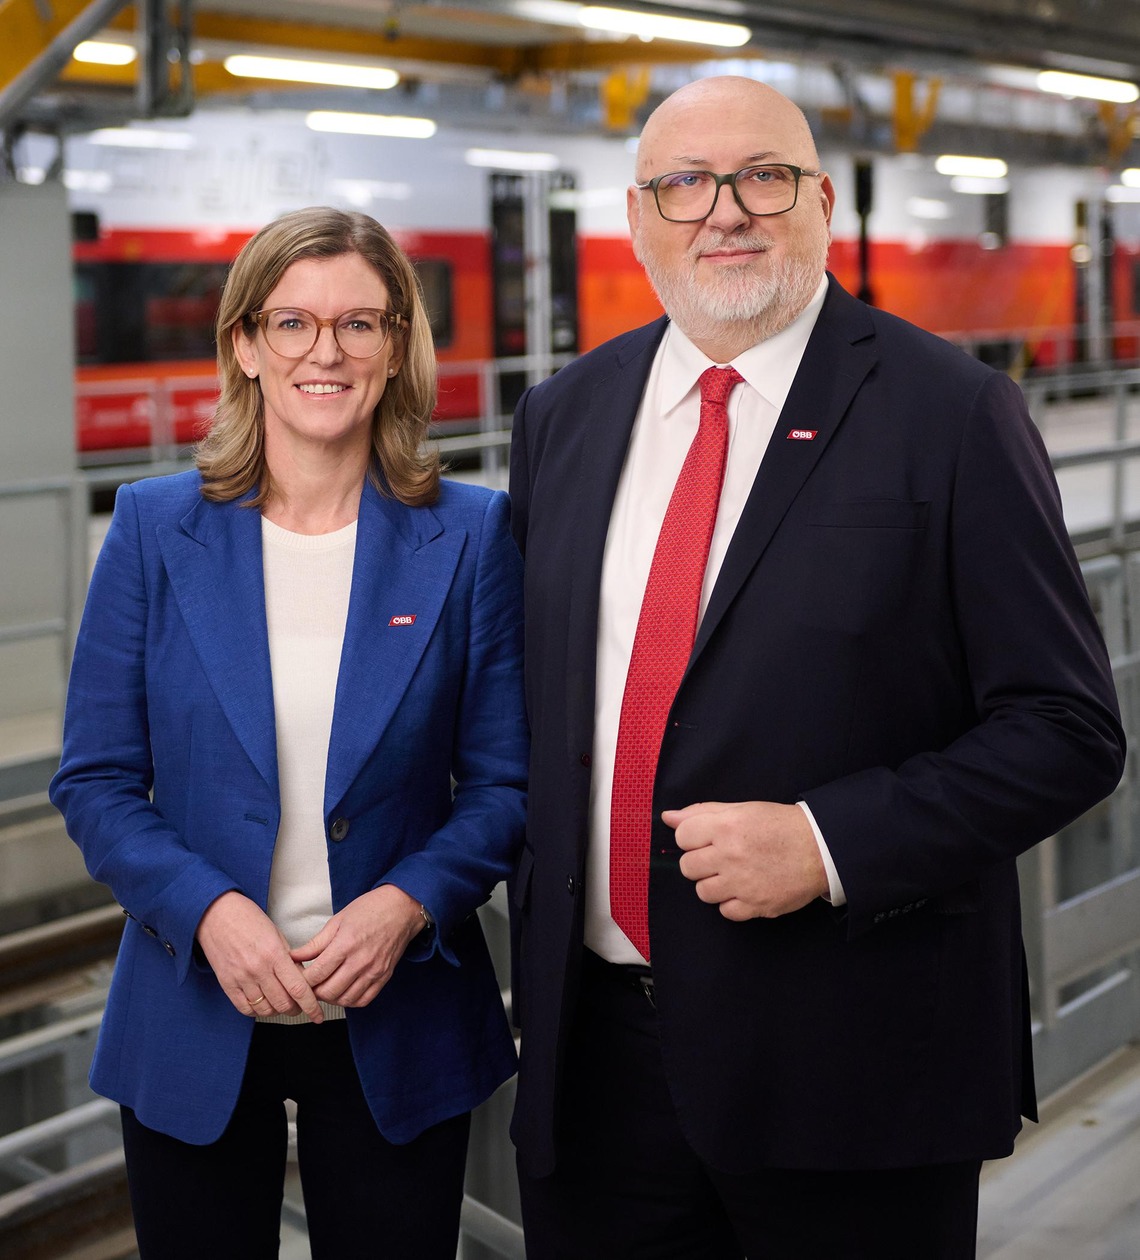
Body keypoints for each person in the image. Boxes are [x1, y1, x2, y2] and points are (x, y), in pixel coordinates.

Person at [507, 75, 1125, 1259]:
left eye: (763, 177)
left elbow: (1067, 727)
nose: (724, 211)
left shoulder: (953, 410)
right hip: (597, 1073)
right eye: (684, 184)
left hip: (853, 1067)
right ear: (638, 222)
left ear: (823, 204)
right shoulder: (565, 416)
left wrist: (829, 844)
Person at [50, 206, 528, 1259]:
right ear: (246, 344)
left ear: (395, 345)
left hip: (394, 1012)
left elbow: (506, 786)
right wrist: (209, 911)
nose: (327, 352)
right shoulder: (151, 527)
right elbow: (95, 780)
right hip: (194, 1006)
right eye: (295, 324)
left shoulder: (471, 535)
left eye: (360, 324)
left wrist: (408, 904)